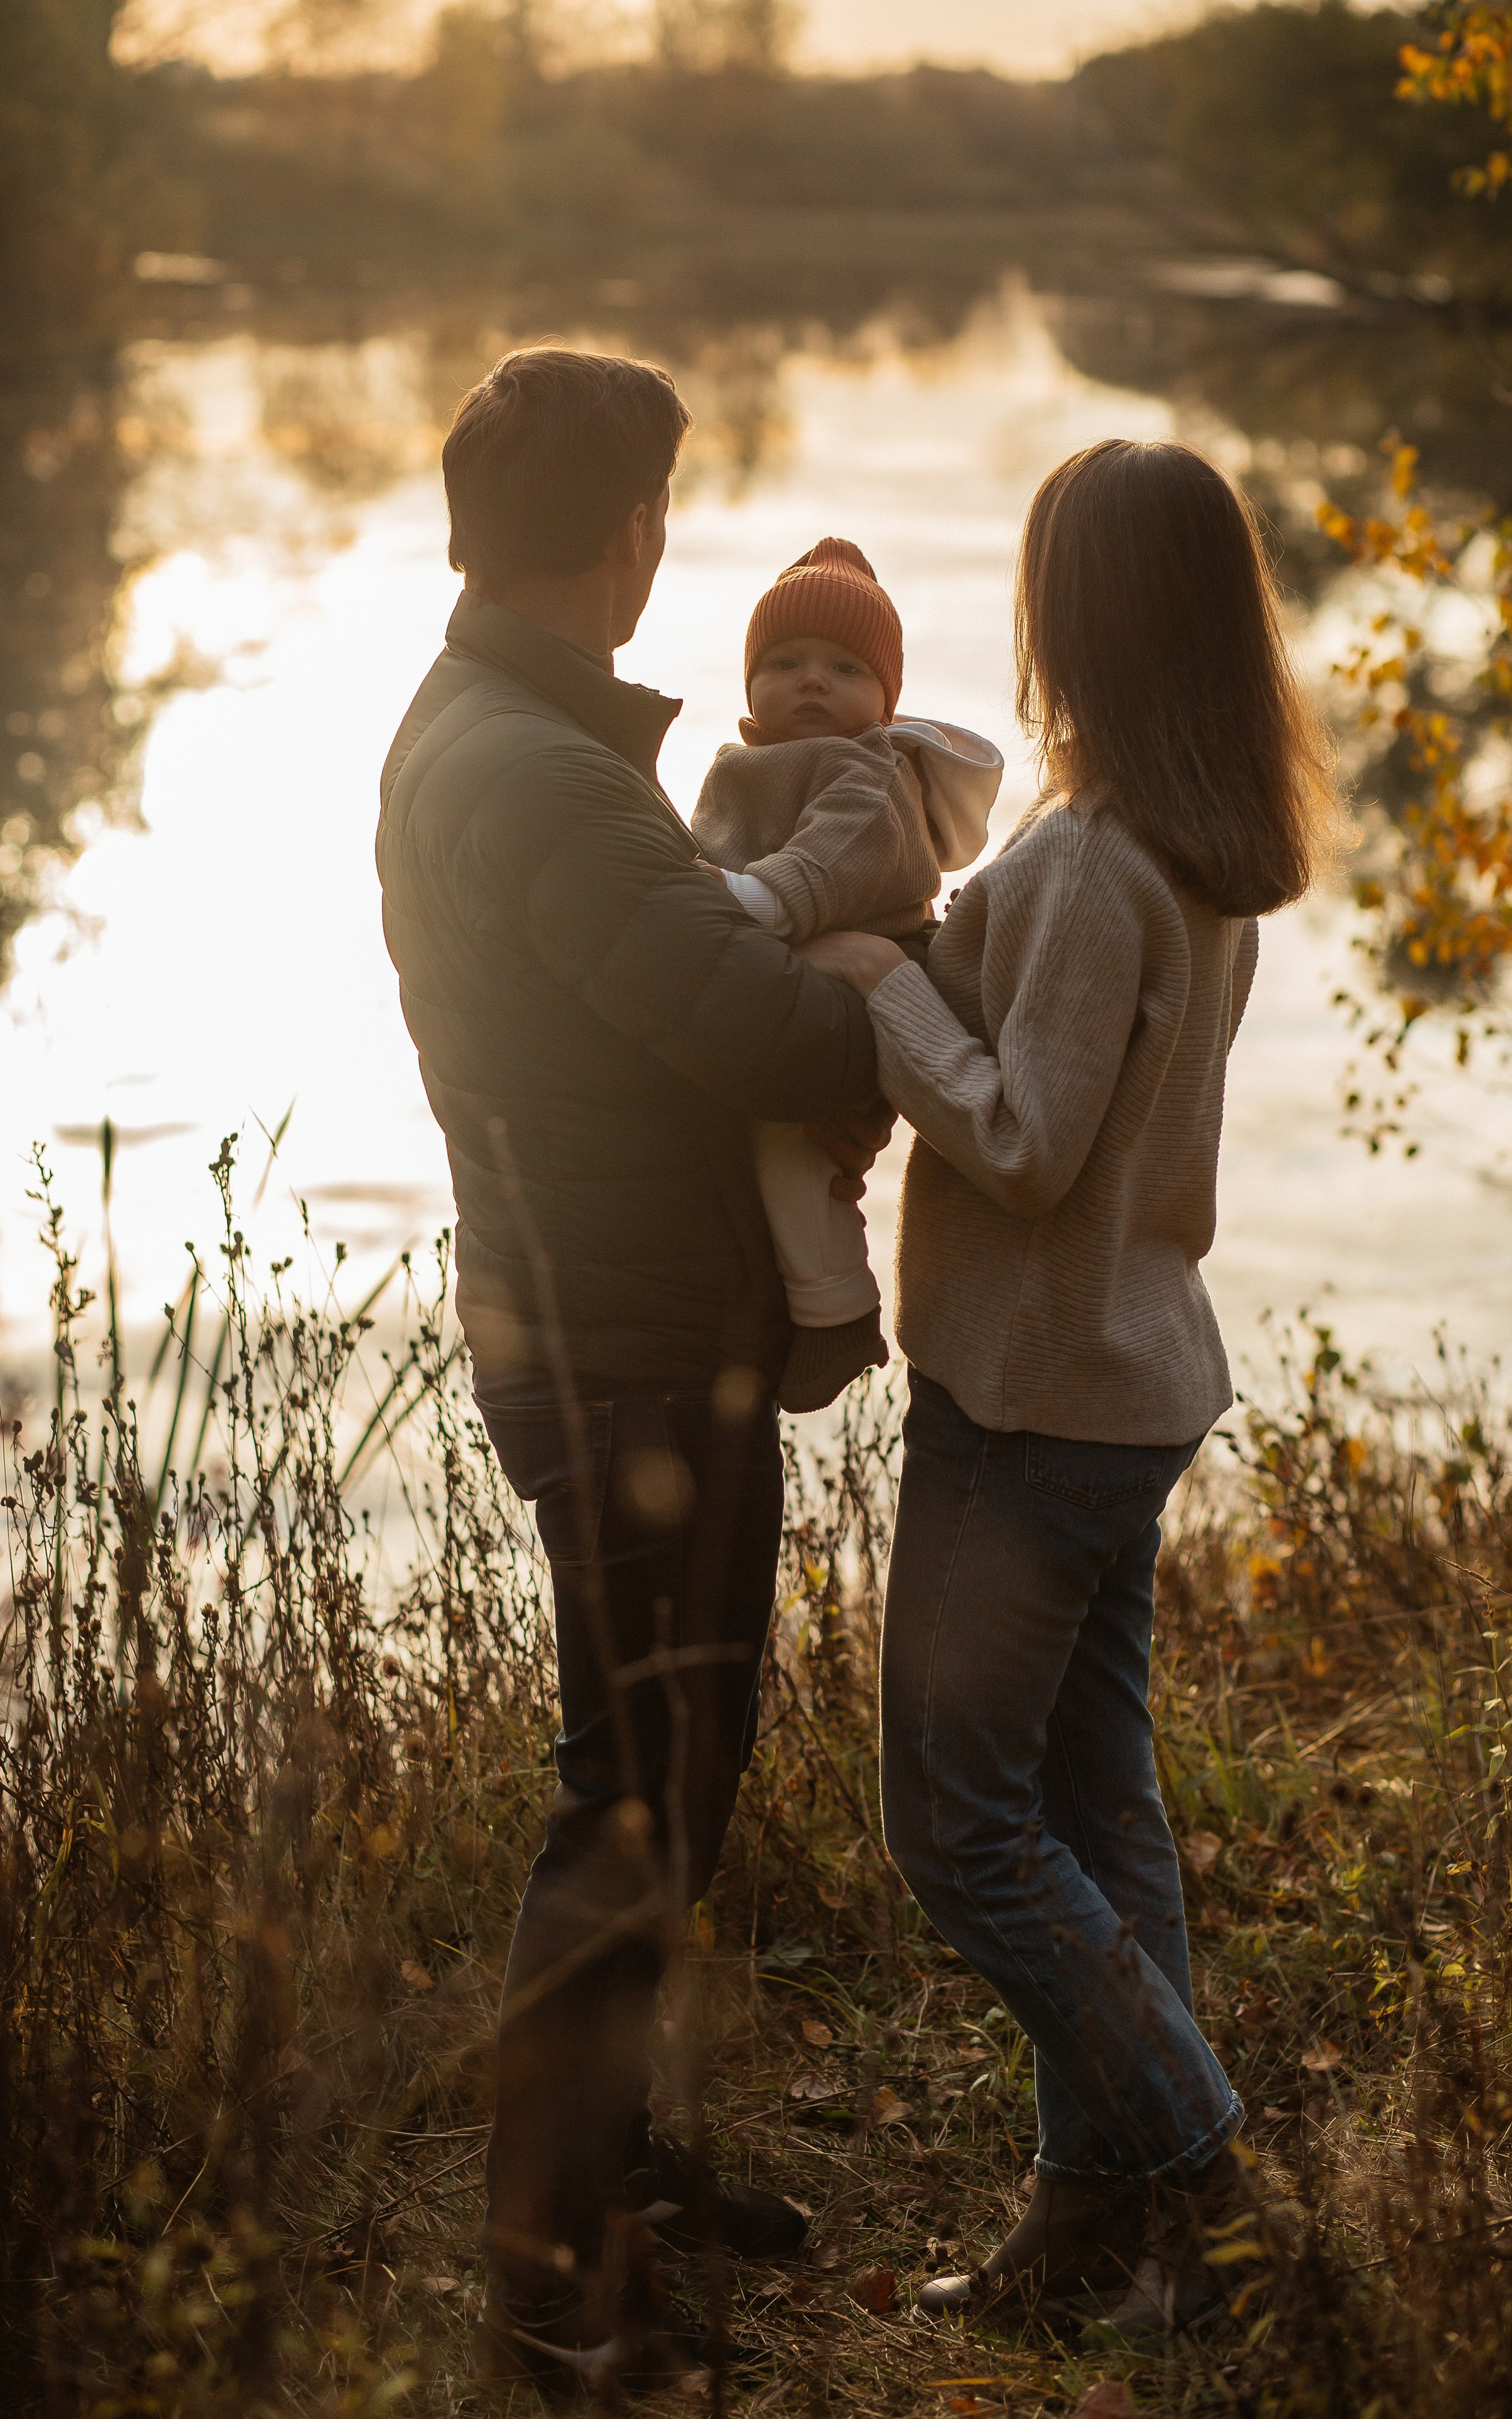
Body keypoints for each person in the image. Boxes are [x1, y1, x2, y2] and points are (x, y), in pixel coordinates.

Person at [375, 346, 887, 2386]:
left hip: (622, 1314)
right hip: (622, 1345)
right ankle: (546, 2255)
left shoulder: (519, 734)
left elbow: (688, 990)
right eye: (662, 512)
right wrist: (939, 1029)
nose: (668, 540)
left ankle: (618, 2159)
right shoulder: (536, 773)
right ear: (628, 540)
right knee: (629, 1793)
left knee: (671, 1770)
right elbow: (756, 1027)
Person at [801, 439, 1338, 2335]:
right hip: (1127, 1380)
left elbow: (1023, 1141)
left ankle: (1223, 2203)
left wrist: (877, 981)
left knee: (957, 1825)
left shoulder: (1106, 862)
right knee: (1102, 1821)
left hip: (1031, 1407)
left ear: (1077, 614)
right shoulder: (1188, 840)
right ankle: (1090, 2233)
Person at [691, 536, 1002, 1411]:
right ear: (749, 689)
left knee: (794, 1155)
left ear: (886, 700)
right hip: (785, 976)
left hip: (871, 987)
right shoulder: (737, 768)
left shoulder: (871, 770)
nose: (812, 682)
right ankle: (798, 1293)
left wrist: (748, 903)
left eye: (843, 667)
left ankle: (836, 1312)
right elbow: (699, 859)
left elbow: (840, 855)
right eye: (784, 663)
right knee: (762, 1158)